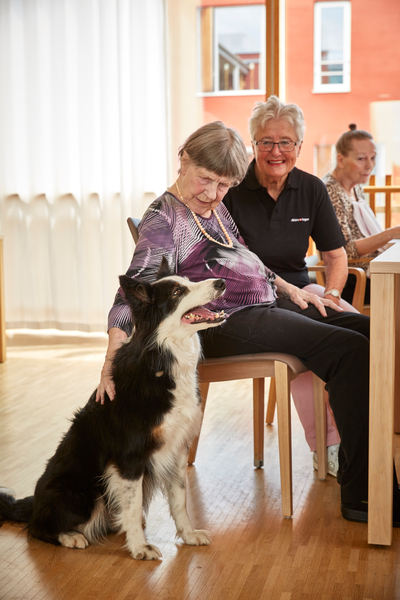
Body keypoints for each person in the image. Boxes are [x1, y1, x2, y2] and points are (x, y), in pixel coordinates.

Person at [96, 121, 400, 526]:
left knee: (369, 331)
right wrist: (110, 360)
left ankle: (368, 472)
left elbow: (245, 257)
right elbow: (131, 294)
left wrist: (294, 291)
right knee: (351, 350)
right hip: (224, 322)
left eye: (223, 186)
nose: (213, 194)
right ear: (183, 159)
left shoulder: (214, 207)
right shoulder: (164, 220)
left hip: (265, 305)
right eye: (206, 180)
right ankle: (365, 495)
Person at [223, 96, 351, 475]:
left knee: (353, 325)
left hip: (301, 290)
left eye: (285, 142)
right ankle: (328, 446)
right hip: (250, 300)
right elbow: (232, 265)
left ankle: (361, 436)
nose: (275, 151)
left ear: (298, 146)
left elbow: (336, 256)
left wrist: (331, 294)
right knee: (311, 339)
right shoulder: (230, 191)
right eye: (266, 142)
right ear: (253, 145)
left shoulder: (311, 189)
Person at [322, 124, 400, 304]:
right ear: (340, 160)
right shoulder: (328, 190)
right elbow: (345, 250)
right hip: (352, 278)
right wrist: (391, 233)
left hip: (371, 271)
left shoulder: (356, 187)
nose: (370, 165)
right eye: (361, 159)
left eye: (373, 158)